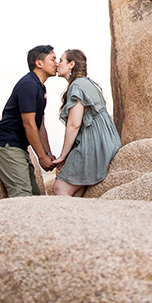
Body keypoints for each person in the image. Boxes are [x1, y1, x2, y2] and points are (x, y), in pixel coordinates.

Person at [0, 45, 56, 197]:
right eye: (52, 59)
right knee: (22, 195)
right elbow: (29, 124)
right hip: (7, 144)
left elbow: (40, 126)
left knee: (35, 194)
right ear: (39, 63)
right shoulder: (28, 85)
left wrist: (48, 152)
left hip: (18, 146)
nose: (56, 63)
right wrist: (41, 157)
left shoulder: (40, 88)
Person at [52, 49, 121, 197]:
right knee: (77, 192)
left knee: (60, 187)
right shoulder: (87, 83)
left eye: (62, 60)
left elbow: (74, 124)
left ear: (71, 64)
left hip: (95, 143)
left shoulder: (77, 86)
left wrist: (63, 155)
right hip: (108, 140)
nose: (58, 64)